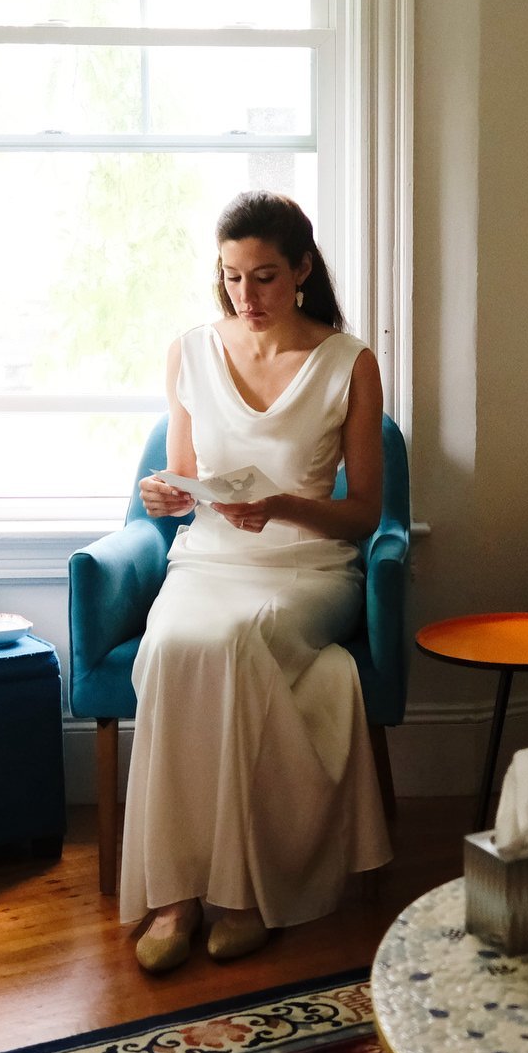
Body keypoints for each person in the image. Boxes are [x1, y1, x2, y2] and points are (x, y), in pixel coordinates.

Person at [121, 192, 392, 972]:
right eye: (233, 277)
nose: (247, 296)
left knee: (239, 642)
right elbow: (180, 477)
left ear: (303, 269)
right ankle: (175, 896)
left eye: (265, 277)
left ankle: (242, 893)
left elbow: (366, 516)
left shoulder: (349, 363)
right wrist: (163, 494)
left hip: (308, 566)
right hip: (208, 559)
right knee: (172, 645)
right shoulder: (190, 352)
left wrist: (284, 507)